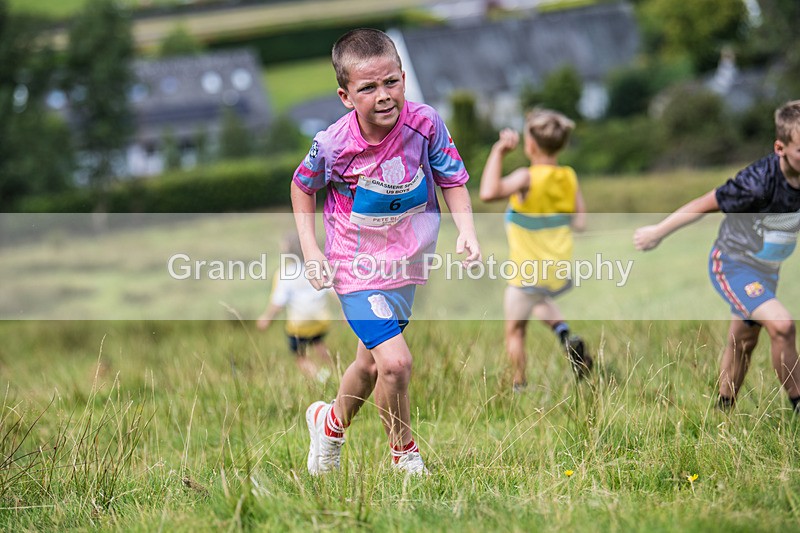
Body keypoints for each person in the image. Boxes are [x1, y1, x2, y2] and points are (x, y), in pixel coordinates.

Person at [290, 28, 481, 475]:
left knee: (370, 365)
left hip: (407, 264)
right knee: (395, 363)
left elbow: (452, 178)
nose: (383, 96)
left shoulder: (426, 124)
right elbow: (302, 187)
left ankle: (328, 425)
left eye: (391, 82)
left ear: (403, 79)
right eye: (368, 88)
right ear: (345, 96)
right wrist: (311, 250)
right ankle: (405, 458)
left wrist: (467, 230)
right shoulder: (333, 144)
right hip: (353, 266)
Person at [633, 100, 800, 412]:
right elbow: (702, 204)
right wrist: (658, 231)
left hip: (768, 270)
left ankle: (722, 413)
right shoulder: (756, 183)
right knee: (782, 325)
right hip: (734, 265)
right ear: (780, 148)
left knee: (743, 342)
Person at [479, 109, 593, 392]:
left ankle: (519, 385)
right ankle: (564, 334)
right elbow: (580, 223)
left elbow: (488, 193)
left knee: (515, 330)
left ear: (530, 145)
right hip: (557, 268)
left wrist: (498, 152)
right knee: (538, 299)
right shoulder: (568, 176)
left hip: (526, 270)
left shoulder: (526, 178)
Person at [256, 233, 333, 382]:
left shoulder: (284, 274)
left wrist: (266, 318)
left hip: (299, 325)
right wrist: (344, 310)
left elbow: (278, 303)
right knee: (318, 343)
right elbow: (333, 291)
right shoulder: (318, 269)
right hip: (320, 320)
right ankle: (333, 370)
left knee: (300, 356)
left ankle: (320, 378)